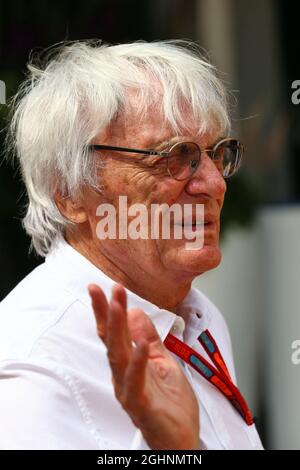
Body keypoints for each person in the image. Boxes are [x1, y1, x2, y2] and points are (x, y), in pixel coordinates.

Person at [0, 40, 263, 450]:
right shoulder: (34, 365)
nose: (214, 184)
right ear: (70, 193)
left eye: (216, 152)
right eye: (174, 156)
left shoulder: (194, 313)